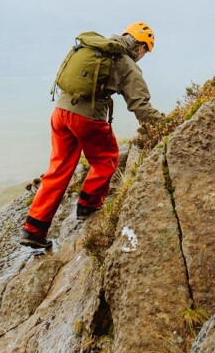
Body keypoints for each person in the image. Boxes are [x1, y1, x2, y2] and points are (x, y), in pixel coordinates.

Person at [21, 22, 164, 249]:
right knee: (107, 158)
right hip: (87, 118)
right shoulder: (125, 63)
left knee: (58, 169)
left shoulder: (95, 48)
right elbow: (140, 105)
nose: (143, 55)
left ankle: (33, 229)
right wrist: (165, 125)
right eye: (145, 50)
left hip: (60, 112)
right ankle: (88, 204)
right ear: (139, 46)